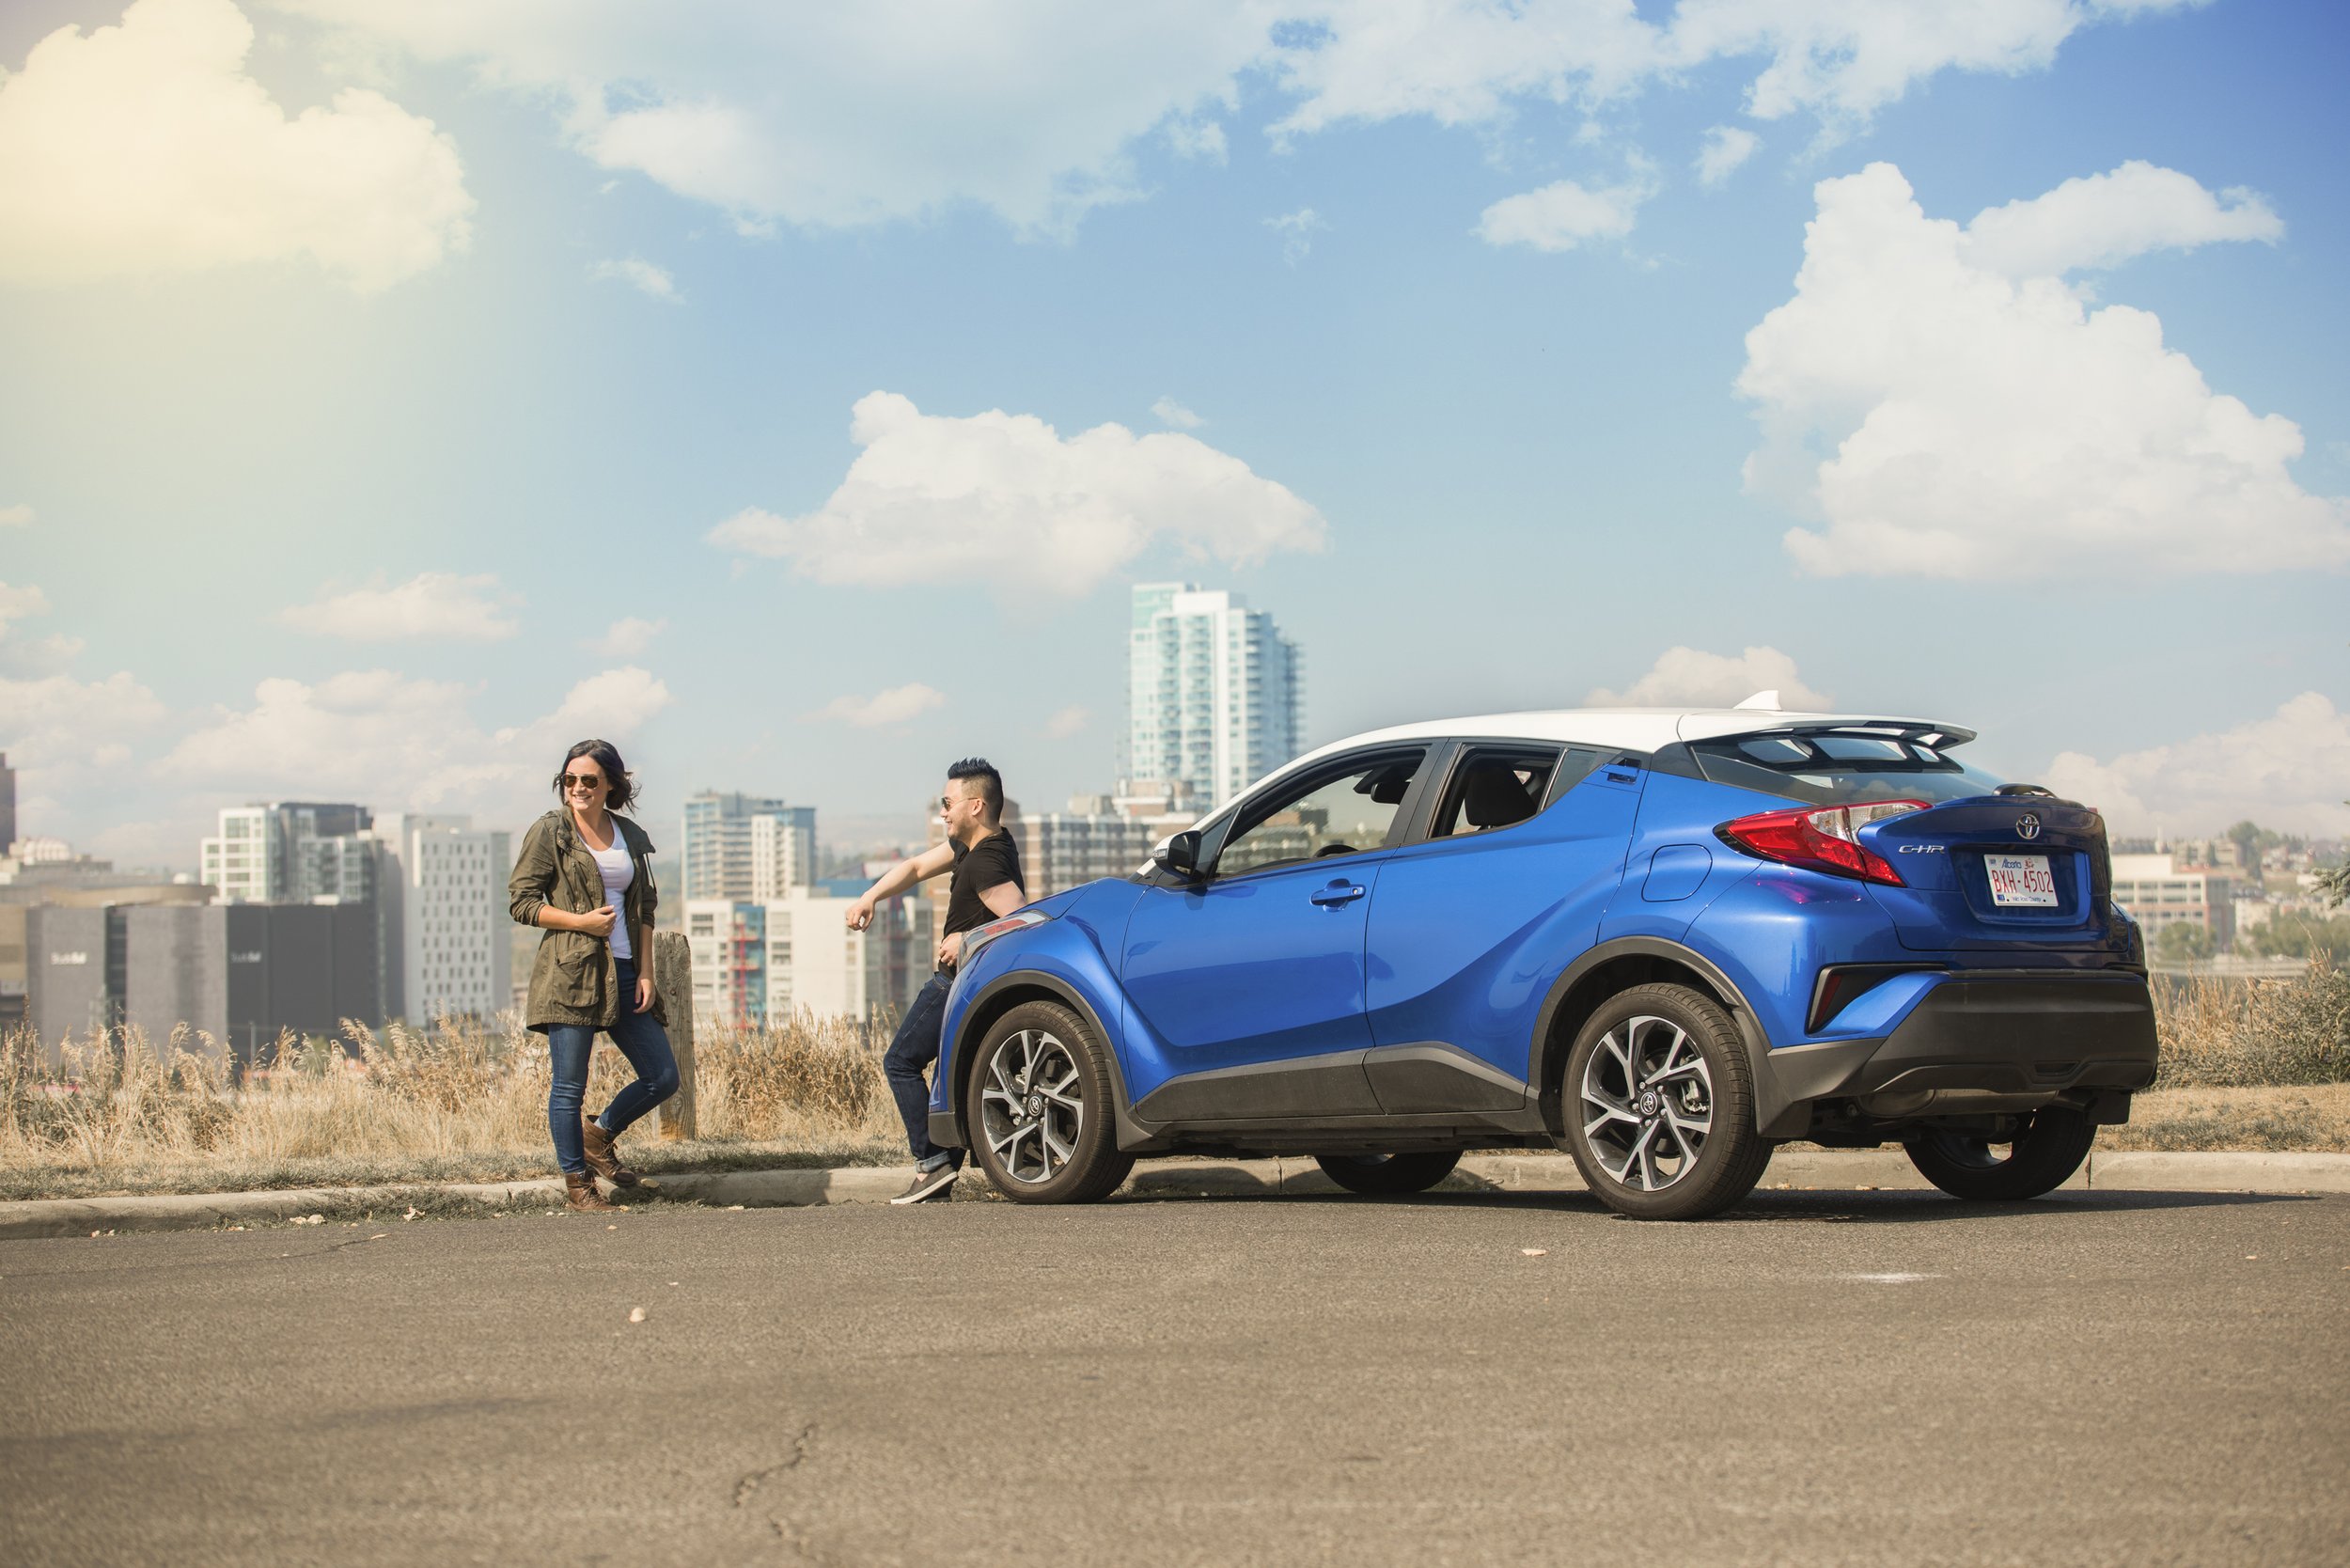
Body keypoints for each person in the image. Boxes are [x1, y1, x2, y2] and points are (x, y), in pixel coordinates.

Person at [508, 738, 680, 1215]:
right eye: (569, 780)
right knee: (568, 1085)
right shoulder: (551, 831)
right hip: (572, 973)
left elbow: (645, 906)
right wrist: (580, 921)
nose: (577, 788)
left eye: (588, 780)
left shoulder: (628, 834)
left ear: (611, 785)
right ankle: (579, 1183)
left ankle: (597, 1133)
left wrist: (646, 971)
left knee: (663, 1076)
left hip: (625, 973)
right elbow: (521, 903)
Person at [847, 757, 1026, 1204]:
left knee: (900, 1062)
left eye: (948, 803)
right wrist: (870, 896)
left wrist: (967, 937)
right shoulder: (977, 846)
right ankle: (945, 1160)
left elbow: (1026, 920)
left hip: (954, 982)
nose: (942, 812)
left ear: (976, 806)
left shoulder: (986, 863)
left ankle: (934, 1165)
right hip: (967, 982)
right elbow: (912, 868)